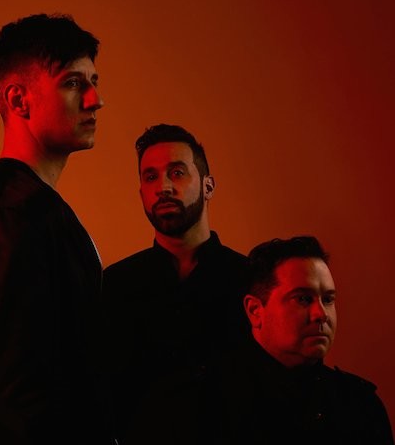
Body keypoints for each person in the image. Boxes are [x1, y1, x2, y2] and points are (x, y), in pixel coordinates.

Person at [0, 13, 110, 444]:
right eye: (73, 83)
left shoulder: (28, 207)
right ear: (19, 100)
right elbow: (12, 394)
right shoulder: (12, 214)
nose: (95, 99)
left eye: (94, 81)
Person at [101, 124, 249, 442]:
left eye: (177, 173)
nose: (163, 187)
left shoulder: (252, 280)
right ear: (141, 193)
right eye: (150, 177)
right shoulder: (114, 285)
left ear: (208, 186)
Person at [210, 235, 393, 444]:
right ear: (255, 310)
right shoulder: (209, 402)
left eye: (328, 299)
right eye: (303, 299)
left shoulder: (361, 404)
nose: (321, 314)